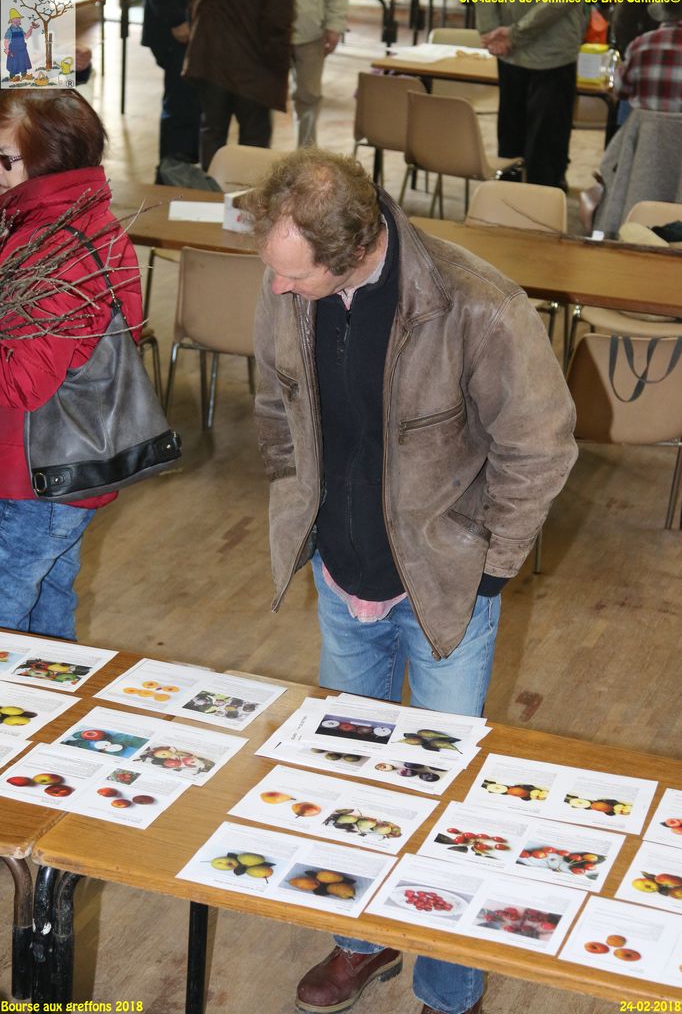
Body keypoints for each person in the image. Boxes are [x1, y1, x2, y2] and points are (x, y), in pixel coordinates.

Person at [245, 149, 577, 1014]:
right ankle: (363, 940)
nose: (278, 289)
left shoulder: (477, 305)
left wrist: (490, 569)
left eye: (295, 276)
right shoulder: (291, 283)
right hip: (341, 573)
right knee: (348, 774)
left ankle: (448, 988)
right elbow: (276, 405)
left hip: (445, 591)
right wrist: (302, 509)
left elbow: (539, 448)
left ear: (354, 250)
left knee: (445, 796)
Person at [0, 90, 143, 640]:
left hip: (31, 478)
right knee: (46, 620)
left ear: (44, 160)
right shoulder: (90, 221)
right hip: (64, 472)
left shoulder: (49, 246)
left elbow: (24, 382)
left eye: (3, 158)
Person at [477, 2, 588, 189]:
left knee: (541, 149)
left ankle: (529, 197)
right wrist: (491, 31)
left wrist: (506, 33)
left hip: (548, 52)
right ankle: (517, 198)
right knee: (517, 148)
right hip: (514, 48)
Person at [183, 0, 294, 170]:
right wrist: (280, 67)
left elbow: (194, 1)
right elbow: (277, 21)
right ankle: (247, 187)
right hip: (252, 67)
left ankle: (210, 185)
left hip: (210, 59)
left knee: (212, 131)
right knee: (253, 141)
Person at [141, 0, 201, 178]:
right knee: (181, 103)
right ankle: (172, 173)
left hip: (191, 25)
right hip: (175, 28)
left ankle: (185, 171)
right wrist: (176, 19)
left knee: (192, 103)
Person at [291, 0, 350, 146]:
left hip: (311, 31)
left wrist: (335, 25)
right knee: (262, 100)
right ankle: (259, 156)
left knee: (309, 96)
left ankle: (306, 153)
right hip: (268, 31)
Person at [615, 2, 682, 113]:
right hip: (678, 122)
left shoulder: (639, 45)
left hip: (642, 123)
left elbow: (620, 89)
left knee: (627, 104)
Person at [3, 7, 38, 82]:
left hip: (22, 50)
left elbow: (26, 36)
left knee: (23, 62)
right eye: (15, 18)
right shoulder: (10, 30)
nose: (18, 20)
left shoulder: (20, 29)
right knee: (13, 64)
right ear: (12, 20)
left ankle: (24, 75)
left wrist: (31, 28)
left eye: (19, 18)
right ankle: (12, 77)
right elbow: (6, 41)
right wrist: (7, 50)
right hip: (14, 51)